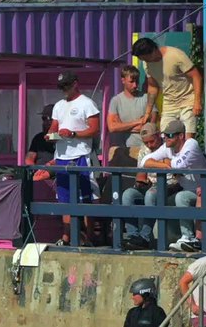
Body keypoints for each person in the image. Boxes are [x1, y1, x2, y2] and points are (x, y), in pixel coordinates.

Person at [139, 118, 206, 251]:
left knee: (181, 197)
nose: (166, 139)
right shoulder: (168, 147)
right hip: (188, 189)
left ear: (181, 136)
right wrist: (163, 164)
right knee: (155, 195)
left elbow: (179, 166)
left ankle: (188, 237)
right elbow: (145, 161)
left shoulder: (191, 144)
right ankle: (146, 238)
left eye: (170, 136)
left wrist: (167, 161)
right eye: (165, 136)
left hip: (204, 190)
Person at [48, 70, 100, 245]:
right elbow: (54, 126)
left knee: (87, 197)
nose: (64, 90)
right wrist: (50, 134)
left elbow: (94, 129)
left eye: (67, 86)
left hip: (81, 155)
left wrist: (73, 134)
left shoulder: (87, 104)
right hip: (62, 156)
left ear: (75, 83)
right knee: (64, 198)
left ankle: (90, 237)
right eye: (61, 87)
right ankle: (66, 236)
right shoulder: (58, 105)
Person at [132, 37, 201, 130]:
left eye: (145, 58)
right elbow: (153, 87)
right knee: (166, 136)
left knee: (188, 135)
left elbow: (196, 76)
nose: (145, 61)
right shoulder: (146, 64)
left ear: (153, 50)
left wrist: (197, 102)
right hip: (169, 104)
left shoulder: (175, 55)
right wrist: (148, 113)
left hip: (188, 101)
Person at [120, 123, 164, 248]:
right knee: (128, 195)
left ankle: (145, 237)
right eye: (146, 143)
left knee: (151, 195)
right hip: (150, 184)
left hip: (166, 184)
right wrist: (141, 183)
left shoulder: (167, 148)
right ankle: (132, 235)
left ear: (158, 136)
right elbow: (141, 174)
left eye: (152, 141)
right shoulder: (144, 150)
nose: (150, 145)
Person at [107, 65, 153, 157]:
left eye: (137, 81)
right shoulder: (116, 101)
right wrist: (138, 121)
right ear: (123, 80)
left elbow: (149, 127)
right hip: (122, 151)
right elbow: (112, 127)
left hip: (144, 150)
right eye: (131, 82)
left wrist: (122, 126)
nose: (135, 85)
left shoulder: (146, 98)